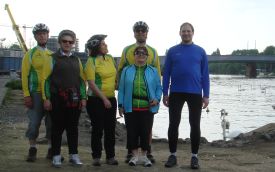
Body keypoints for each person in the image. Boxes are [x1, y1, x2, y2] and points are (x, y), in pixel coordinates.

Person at [162, 22, 210, 169]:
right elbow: (166, 74)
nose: (186, 33)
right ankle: (172, 155)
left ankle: (194, 157)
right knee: (173, 124)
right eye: (183, 31)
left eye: (188, 31)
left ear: (193, 33)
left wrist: (206, 95)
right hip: (176, 92)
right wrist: (165, 93)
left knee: (195, 125)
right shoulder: (172, 51)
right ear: (180, 33)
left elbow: (205, 75)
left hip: (195, 92)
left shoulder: (200, 51)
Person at [117, 21, 161, 163]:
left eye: (143, 31)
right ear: (134, 33)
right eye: (138, 31)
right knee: (132, 128)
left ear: (147, 33)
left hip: (148, 99)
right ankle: (131, 153)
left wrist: (157, 97)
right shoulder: (127, 50)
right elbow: (121, 69)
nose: (140, 33)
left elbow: (157, 75)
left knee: (147, 128)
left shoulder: (153, 52)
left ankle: (147, 152)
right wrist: (121, 96)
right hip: (131, 93)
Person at [42, 29, 87, 168]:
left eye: (70, 42)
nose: (67, 44)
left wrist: (83, 97)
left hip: (74, 99)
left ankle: (74, 155)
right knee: (57, 128)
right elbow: (45, 80)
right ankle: (56, 156)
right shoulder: (52, 58)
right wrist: (46, 98)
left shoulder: (76, 59)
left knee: (73, 128)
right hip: (57, 99)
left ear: (73, 43)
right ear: (60, 42)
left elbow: (81, 80)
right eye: (65, 41)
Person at [84, 34, 118, 166]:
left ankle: (110, 156)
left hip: (111, 98)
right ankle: (96, 156)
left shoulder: (109, 58)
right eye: (103, 44)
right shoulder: (91, 61)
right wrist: (104, 99)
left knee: (110, 129)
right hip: (96, 100)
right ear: (97, 47)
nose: (106, 45)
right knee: (97, 129)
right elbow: (91, 83)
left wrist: (115, 84)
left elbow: (115, 74)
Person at [21, 23, 52, 162]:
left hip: (50, 94)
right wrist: (27, 94)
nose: (42, 35)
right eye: (39, 34)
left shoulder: (52, 54)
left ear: (48, 35)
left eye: (44, 33)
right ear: (35, 36)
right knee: (34, 123)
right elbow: (24, 75)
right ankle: (32, 149)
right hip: (36, 93)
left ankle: (52, 149)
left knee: (52, 123)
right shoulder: (30, 54)